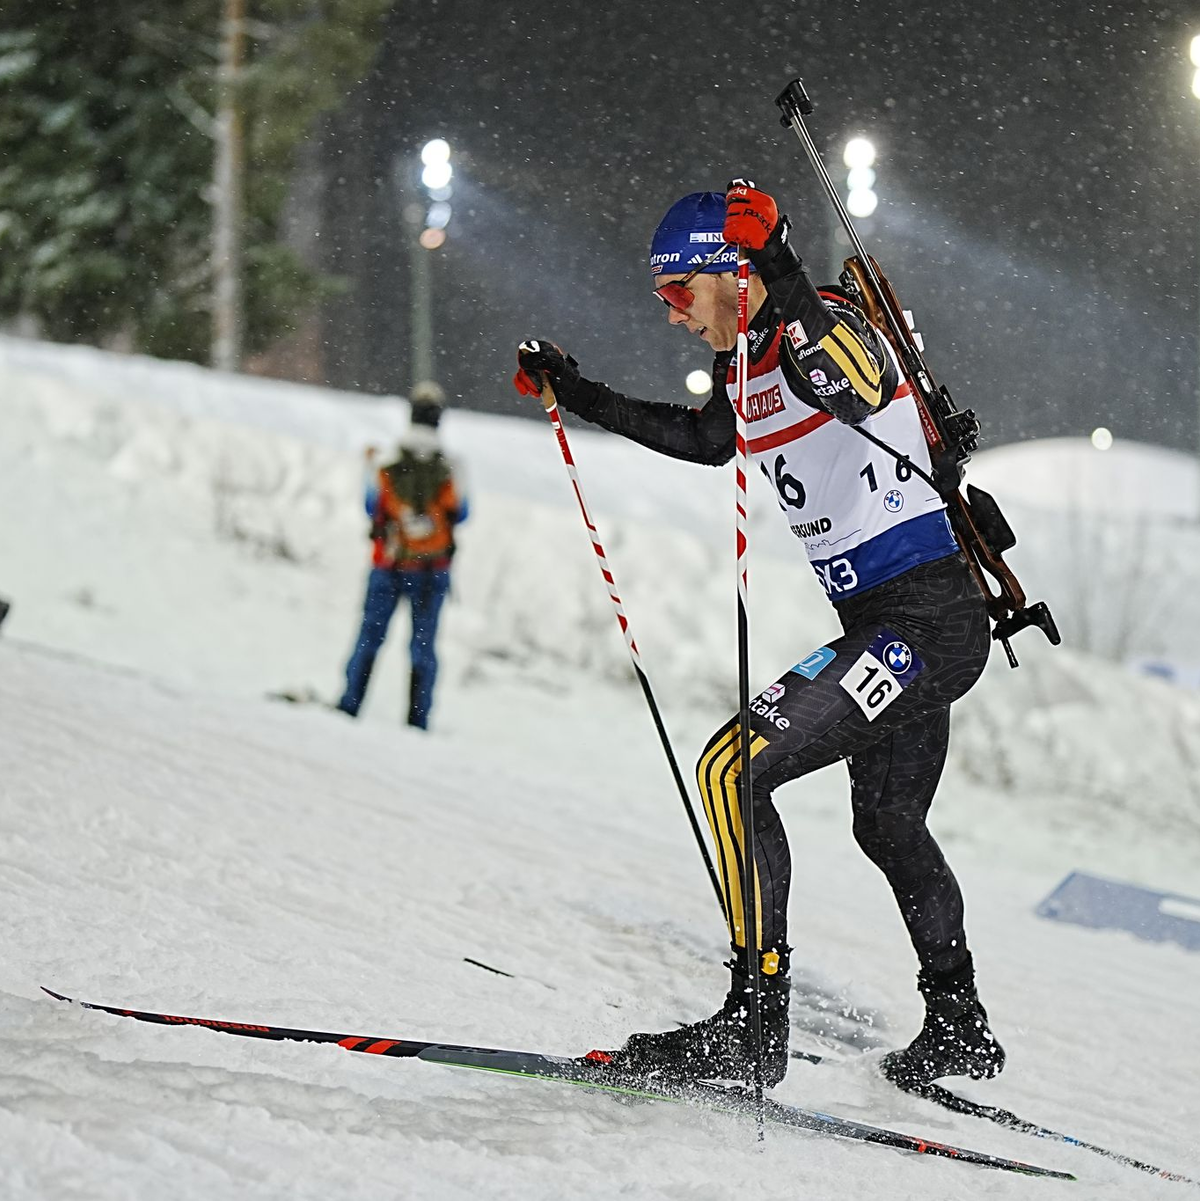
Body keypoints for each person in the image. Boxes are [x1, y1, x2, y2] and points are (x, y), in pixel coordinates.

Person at [513, 183, 1004, 1091]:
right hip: (888, 622)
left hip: (926, 620)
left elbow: (855, 381)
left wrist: (776, 257)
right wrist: (576, 391)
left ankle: (753, 1023)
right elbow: (707, 439)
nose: (673, 314)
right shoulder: (748, 363)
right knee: (887, 822)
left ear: (730, 275)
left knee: (730, 770)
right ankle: (958, 1024)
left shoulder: (825, 327)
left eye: (679, 291)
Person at [337, 381, 467, 729]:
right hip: (433, 568)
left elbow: (371, 507)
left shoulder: (387, 459)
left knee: (370, 637)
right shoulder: (452, 466)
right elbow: (462, 514)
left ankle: (350, 706)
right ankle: (417, 721)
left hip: (389, 563)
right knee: (423, 647)